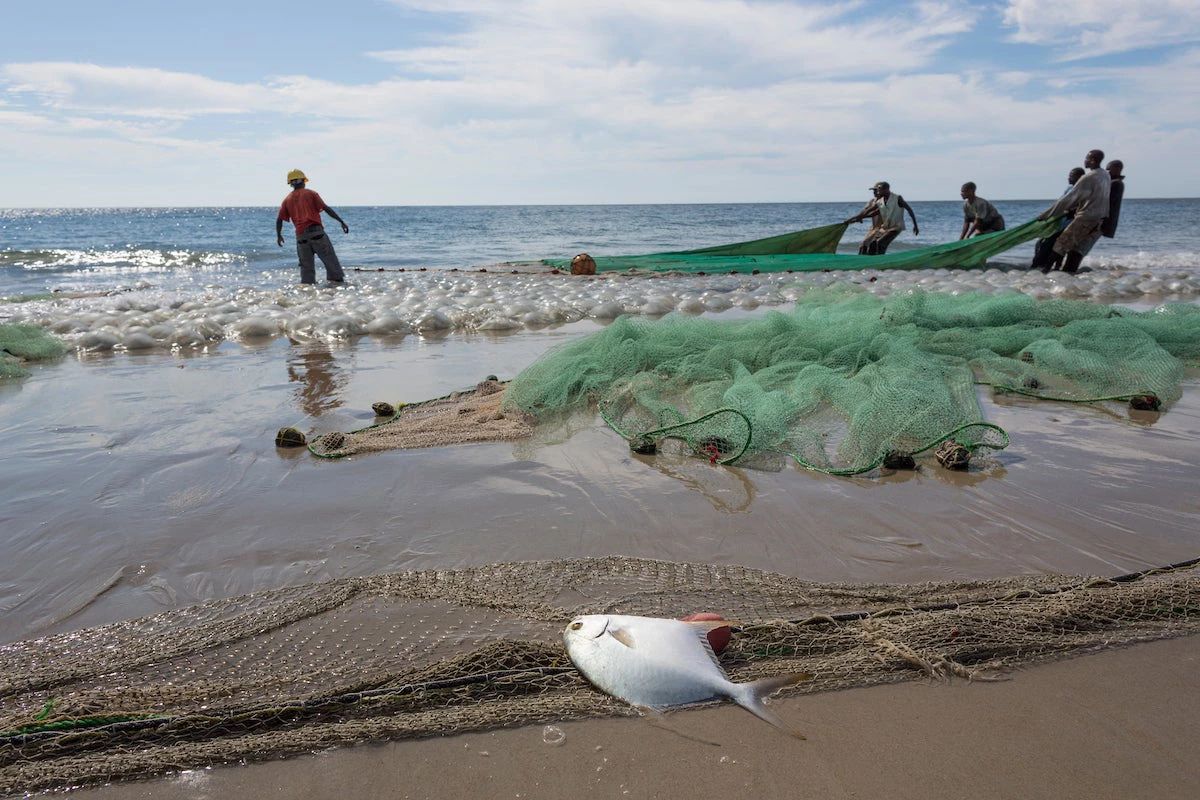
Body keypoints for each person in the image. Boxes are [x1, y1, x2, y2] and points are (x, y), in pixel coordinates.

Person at [1036, 149, 1110, 274]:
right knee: (1077, 248)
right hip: (1098, 220)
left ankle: (1046, 271)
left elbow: (1068, 199)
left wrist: (1046, 215)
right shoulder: (1105, 175)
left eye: (1087, 158)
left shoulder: (1088, 177)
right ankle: (1067, 272)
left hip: (1085, 217)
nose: (1085, 161)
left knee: (1061, 243)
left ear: (1092, 160)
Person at [276, 169, 350, 284]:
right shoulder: (311, 194)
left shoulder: (287, 200)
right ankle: (335, 290)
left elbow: (279, 220)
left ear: (291, 183)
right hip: (317, 233)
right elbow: (326, 209)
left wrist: (279, 235)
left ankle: (308, 295)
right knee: (331, 262)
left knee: (306, 271)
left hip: (301, 237)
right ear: (303, 181)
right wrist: (341, 221)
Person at [1031, 167, 1085, 271]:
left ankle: (1047, 267)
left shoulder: (1081, 190)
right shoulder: (1069, 189)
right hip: (1060, 222)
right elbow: (1060, 204)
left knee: (1050, 244)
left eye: (1071, 176)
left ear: (1080, 177)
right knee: (1042, 243)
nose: (1069, 178)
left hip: (1070, 224)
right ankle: (1042, 266)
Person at [844, 181, 919, 255]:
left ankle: (881, 260)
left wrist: (915, 225)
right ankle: (870, 261)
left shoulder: (897, 198)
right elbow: (867, 212)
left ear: (886, 189)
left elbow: (909, 210)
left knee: (880, 242)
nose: (878, 191)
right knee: (871, 244)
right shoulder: (880, 202)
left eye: (879, 189)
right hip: (885, 228)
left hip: (896, 227)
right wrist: (853, 219)